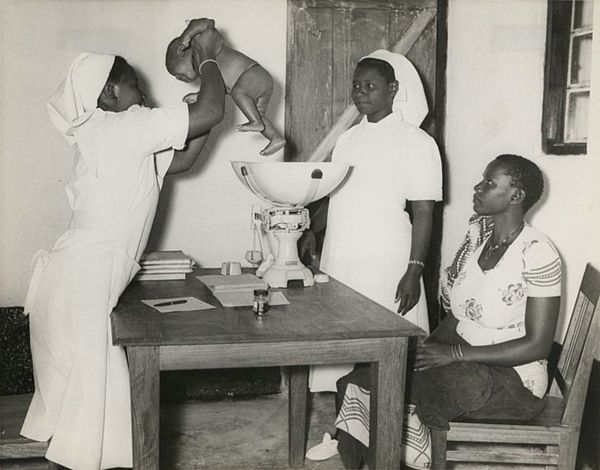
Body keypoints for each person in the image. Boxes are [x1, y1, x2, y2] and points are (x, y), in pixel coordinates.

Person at [20, 25, 225, 469]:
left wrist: (200, 118)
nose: (145, 93)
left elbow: (185, 158)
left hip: (65, 284)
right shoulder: (128, 126)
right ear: (110, 92)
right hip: (85, 286)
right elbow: (210, 109)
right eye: (135, 83)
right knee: (97, 435)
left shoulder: (100, 133)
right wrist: (209, 59)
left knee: (79, 429)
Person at [333, 154, 562, 469]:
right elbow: (458, 314)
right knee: (364, 380)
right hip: (468, 365)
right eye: (482, 179)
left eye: (489, 183)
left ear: (516, 196)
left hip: (515, 383)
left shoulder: (537, 253)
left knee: (405, 395)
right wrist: (426, 351)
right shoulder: (481, 240)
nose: (478, 187)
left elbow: (538, 345)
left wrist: (453, 354)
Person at [303, 49, 442, 460]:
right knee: (338, 348)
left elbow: (423, 213)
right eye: (356, 86)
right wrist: (314, 230)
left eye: (371, 86)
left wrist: (414, 269)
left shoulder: (416, 142)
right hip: (342, 253)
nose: (360, 94)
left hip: (387, 258)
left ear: (393, 89)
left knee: (385, 351)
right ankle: (342, 434)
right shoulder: (349, 138)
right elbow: (334, 192)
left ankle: (389, 436)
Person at [165, 18, 285, 156]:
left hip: (254, 73)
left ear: (182, 51)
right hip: (256, 82)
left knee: (238, 93)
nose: (178, 78)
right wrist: (199, 95)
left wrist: (186, 36)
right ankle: (275, 138)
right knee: (257, 113)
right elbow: (218, 89)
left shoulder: (206, 45)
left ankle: (255, 122)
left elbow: (208, 23)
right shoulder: (207, 69)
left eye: (174, 70)